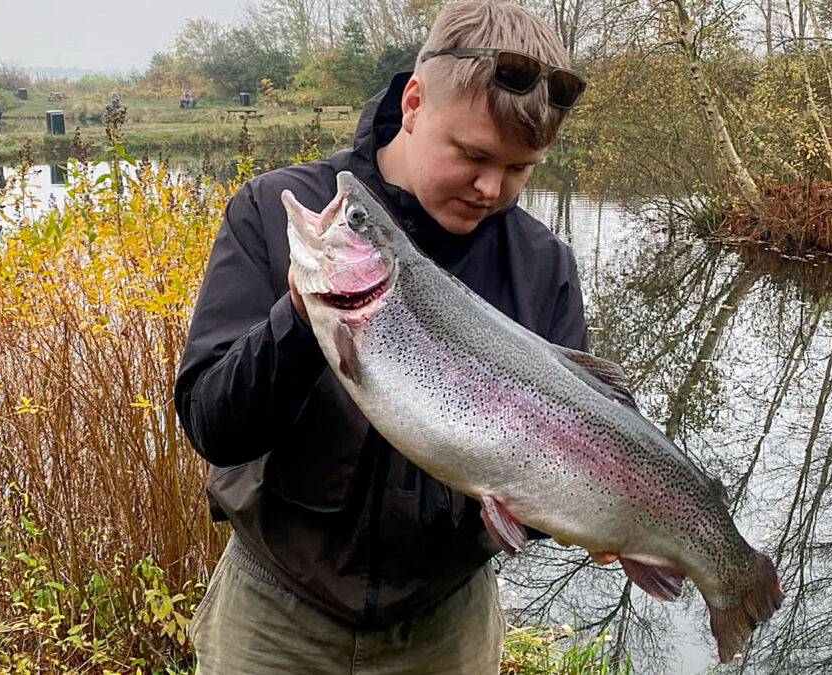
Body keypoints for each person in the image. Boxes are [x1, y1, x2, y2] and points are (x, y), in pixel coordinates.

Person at [174, 2, 589, 673]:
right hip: (273, 617)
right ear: (416, 103)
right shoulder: (286, 213)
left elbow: (557, 471)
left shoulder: (543, 268)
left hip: (445, 626)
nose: (491, 187)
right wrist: (303, 316)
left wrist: (565, 515)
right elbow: (212, 424)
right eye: (474, 155)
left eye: (520, 169)